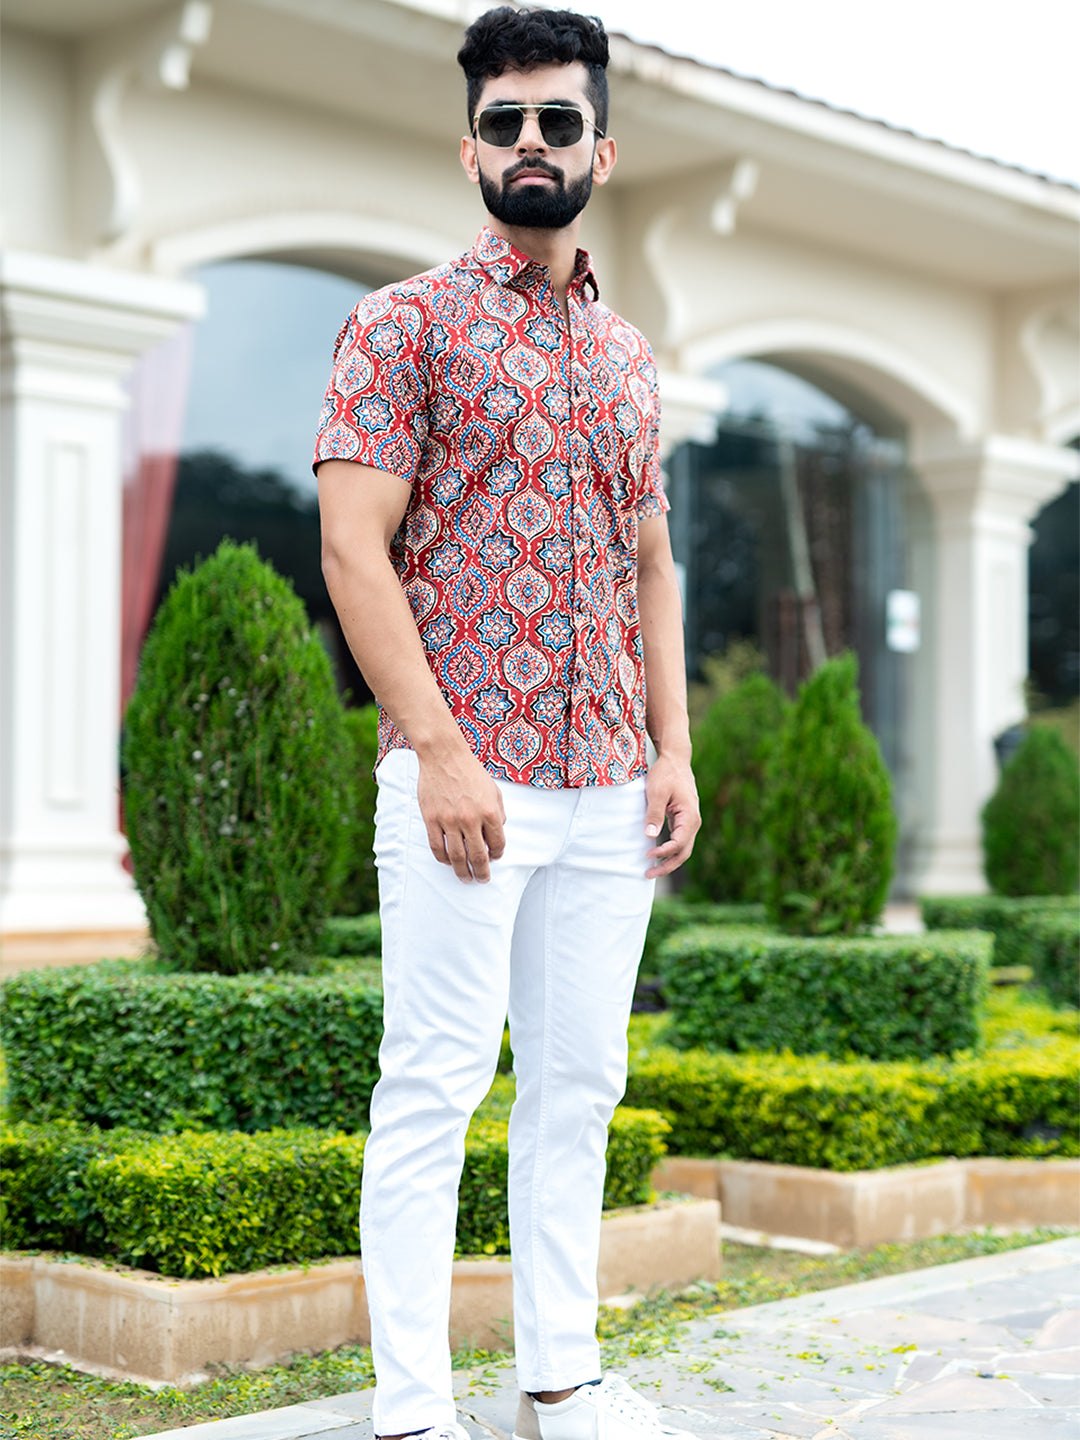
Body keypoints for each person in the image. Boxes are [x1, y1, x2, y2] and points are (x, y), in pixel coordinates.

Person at [315, 8, 700, 1439]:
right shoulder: (401, 324)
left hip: (610, 786)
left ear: (603, 146)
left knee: (577, 1092)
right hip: (465, 784)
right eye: (502, 122)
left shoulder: (630, 358)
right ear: (467, 145)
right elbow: (355, 551)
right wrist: (438, 749)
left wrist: (672, 748)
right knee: (431, 1090)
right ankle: (414, 1413)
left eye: (554, 119)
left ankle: (561, 1377)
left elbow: (648, 566)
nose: (528, 143)